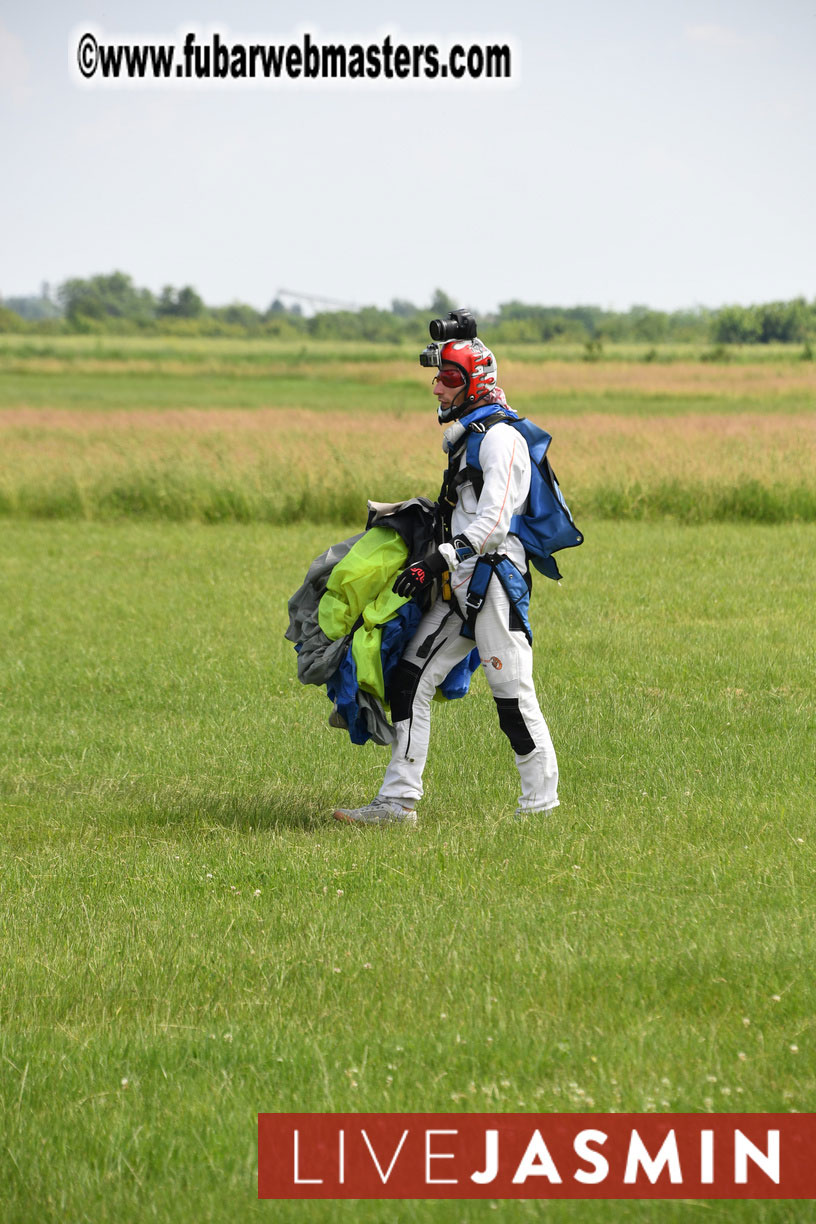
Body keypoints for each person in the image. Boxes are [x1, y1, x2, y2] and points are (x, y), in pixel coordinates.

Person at [333, 318, 560, 826]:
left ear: (475, 383)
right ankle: (397, 802)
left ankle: (540, 813)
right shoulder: (468, 436)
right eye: (438, 377)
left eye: (450, 379)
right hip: (459, 583)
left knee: (513, 699)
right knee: (410, 680)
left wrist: (438, 559)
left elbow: (495, 524)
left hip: (494, 583)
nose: (437, 386)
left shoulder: (501, 440)